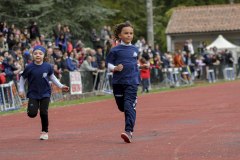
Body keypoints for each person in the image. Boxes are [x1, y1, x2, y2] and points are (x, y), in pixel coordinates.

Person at [18, 45, 69, 140]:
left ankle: (44, 131)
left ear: (44, 56)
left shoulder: (48, 66)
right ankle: (33, 108)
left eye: (40, 53)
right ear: (32, 55)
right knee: (32, 114)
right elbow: (22, 78)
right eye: (35, 53)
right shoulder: (29, 67)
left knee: (43, 112)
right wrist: (21, 90)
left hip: (45, 93)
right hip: (33, 93)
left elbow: (52, 77)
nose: (38, 55)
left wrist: (61, 86)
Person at [106, 21, 139, 143]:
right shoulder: (115, 50)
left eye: (131, 33)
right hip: (118, 82)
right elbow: (108, 64)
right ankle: (130, 105)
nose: (129, 35)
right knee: (122, 107)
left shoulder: (135, 49)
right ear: (120, 35)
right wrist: (114, 68)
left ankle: (128, 131)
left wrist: (143, 66)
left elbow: (135, 63)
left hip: (132, 81)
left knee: (128, 105)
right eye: (126, 33)